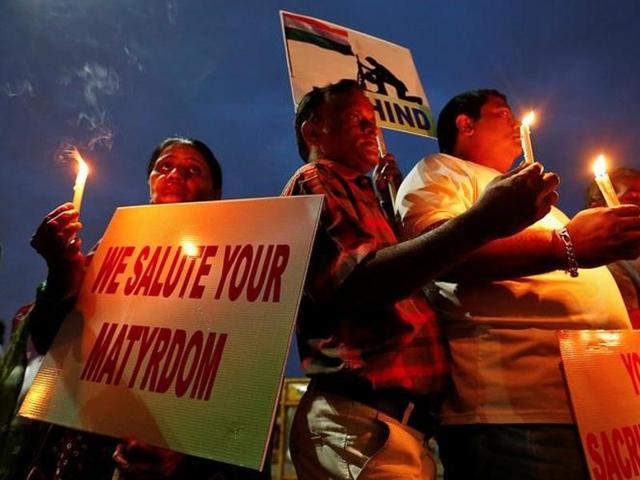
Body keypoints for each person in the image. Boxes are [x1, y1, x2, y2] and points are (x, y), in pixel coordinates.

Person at [281, 79, 559, 480]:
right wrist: (481, 222)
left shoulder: (364, 194)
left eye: (373, 122)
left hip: (398, 426)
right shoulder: (316, 178)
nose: (372, 130)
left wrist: (386, 202)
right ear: (313, 131)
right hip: (362, 423)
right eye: (356, 119)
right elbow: (359, 282)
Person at [395, 89, 640, 480]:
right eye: (502, 113)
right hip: (522, 412)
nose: (514, 123)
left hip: (598, 406)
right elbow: (437, 250)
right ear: (465, 123)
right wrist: (567, 245)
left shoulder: (533, 201)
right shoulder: (441, 171)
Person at [7, 137, 266, 479]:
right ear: (150, 182)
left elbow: (239, 382)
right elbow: (49, 341)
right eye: (165, 166)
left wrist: (186, 458)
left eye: (192, 170)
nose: (175, 174)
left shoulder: (234, 267)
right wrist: (59, 274)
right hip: (85, 442)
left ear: (214, 192)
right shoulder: (112, 251)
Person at [586, 167, 640, 327]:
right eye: (630, 194)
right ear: (598, 207)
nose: (637, 196)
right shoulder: (604, 263)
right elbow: (628, 319)